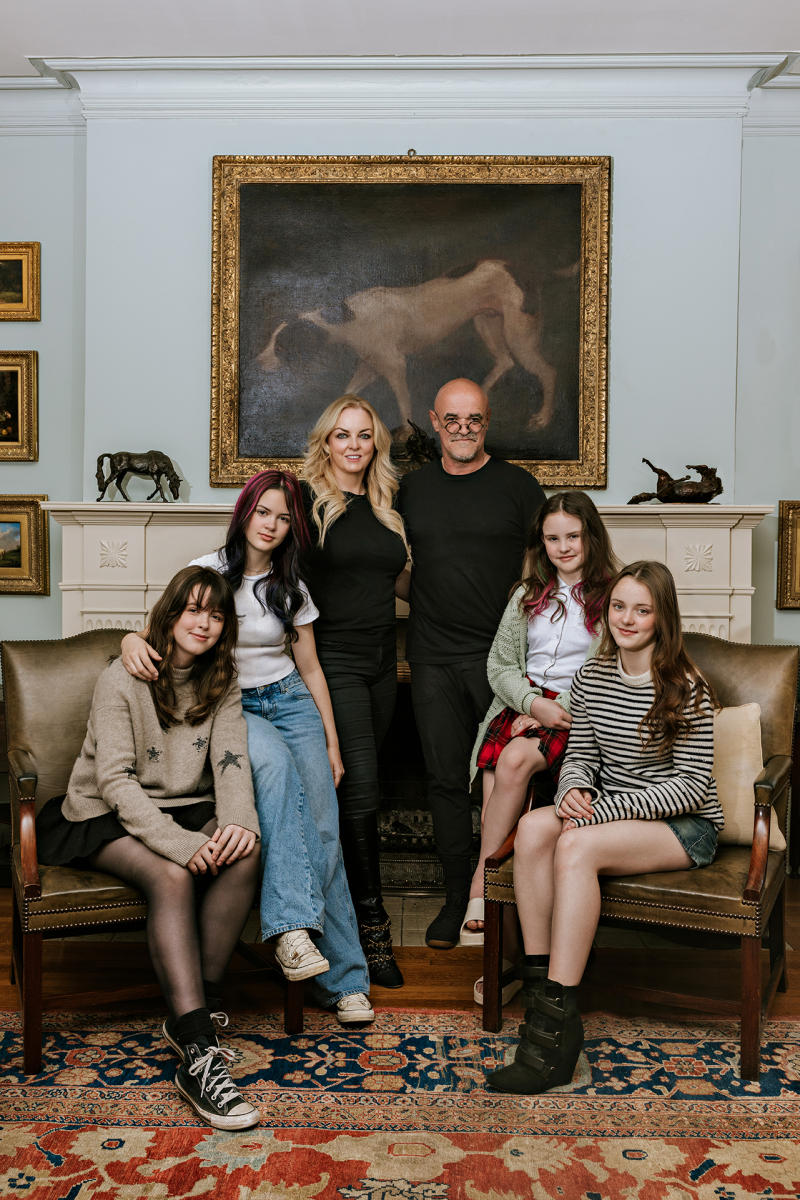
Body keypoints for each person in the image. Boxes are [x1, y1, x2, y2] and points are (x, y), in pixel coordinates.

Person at [121, 471, 373, 1026]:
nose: (272, 526)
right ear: (245, 513)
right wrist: (128, 639)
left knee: (324, 830)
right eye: (264, 513)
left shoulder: (291, 586)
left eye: (284, 518)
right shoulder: (208, 571)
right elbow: (158, 630)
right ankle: (290, 930)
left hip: (291, 700)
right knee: (278, 777)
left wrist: (331, 742)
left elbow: (311, 668)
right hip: (232, 705)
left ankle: (345, 982)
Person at [36, 566, 262, 1130]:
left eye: (216, 615)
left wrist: (239, 822)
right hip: (101, 812)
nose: (204, 623)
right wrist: (180, 844)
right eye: (193, 610)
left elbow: (232, 763)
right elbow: (114, 781)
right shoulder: (125, 675)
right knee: (171, 876)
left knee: (246, 852)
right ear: (171, 613)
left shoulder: (222, 679)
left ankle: (198, 1012)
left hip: (183, 805)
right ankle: (199, 1054)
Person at [486, 561, 724, 1095]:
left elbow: (691, 787)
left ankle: (551, 1039)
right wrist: (573, 789)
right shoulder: (591, 677)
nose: (627, 619)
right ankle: (545, 999)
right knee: (533, 830)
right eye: (619, 606)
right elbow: (582, 757)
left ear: (663, 618)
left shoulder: (687, 688)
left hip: (683, 825)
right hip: (610, 813)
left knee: (574, 845)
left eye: (642, 610)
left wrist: (601, 811)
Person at [397, 377, 546, 949]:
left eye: (474, 420)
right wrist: (431, 595)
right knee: (443, 780)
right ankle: (457, 897)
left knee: (503, 777)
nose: (463, 429)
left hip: (502, 661)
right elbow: (397, 568)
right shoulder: (411, 490)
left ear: (487, 422)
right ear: (435, 422)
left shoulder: (518, 487)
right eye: (452, 420)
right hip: (432, 654)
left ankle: (499, 897)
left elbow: (545, 566)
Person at [463, 493, 617, 998]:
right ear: (541, 543)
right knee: (498, 791)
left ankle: (479, 885)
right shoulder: (528, 595)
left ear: (591, 537)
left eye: (573, 536)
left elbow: (607, 669)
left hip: (577, 711)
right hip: (521, 704)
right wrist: (530, 703)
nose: (563, 546)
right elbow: (499, 665)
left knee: (511, 761)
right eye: (553, 538)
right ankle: (506, 952)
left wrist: (553, 710)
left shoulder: (612, 596)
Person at [301, 395, 409, 988]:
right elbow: (245, 559)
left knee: (358, 795)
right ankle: (371, 929)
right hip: (332, 661)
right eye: (342, 434)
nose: (353, 445)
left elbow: (401, 580)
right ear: (326, 442)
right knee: (362, 792)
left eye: (364, 435)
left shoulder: (386, 505)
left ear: (376, 444)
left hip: (383, 664)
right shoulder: (306, 504)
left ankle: (333, 919)